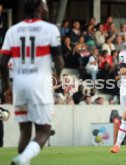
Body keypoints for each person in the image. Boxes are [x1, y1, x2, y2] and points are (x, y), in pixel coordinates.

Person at [0, 0, 64, 164]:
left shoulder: (13, 30)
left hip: (19, 85)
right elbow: (59, 61)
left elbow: (2, 62)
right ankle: (23, 158)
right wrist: (58, 74)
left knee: (25, 132)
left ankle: (22, 160)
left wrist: (8, 87)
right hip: (39, 85)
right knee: (44, 130)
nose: (47, 7)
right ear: (38, 8)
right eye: (44, 4)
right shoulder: (50, 29)